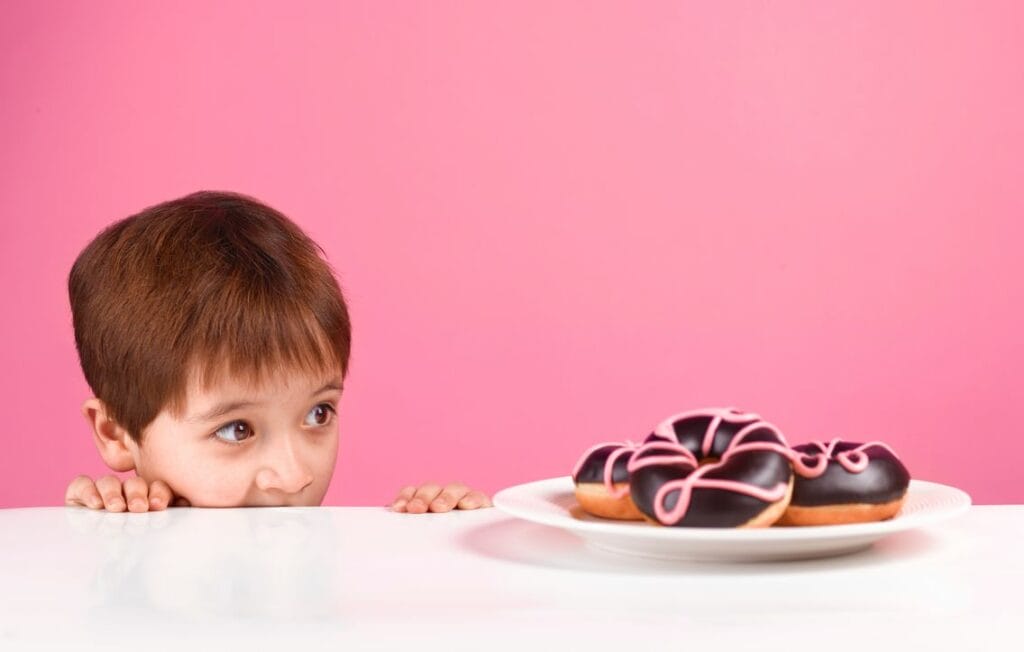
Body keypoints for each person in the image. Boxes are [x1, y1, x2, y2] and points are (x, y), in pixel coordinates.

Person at [63, 190, 490, 515]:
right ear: (116, 434)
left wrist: (448, 546)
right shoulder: (119, 532)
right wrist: (105, 534)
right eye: (236, 430)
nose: (293, 476)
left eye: (318, 414)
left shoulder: (318, 563)